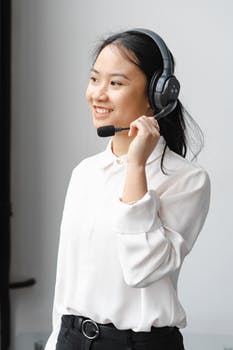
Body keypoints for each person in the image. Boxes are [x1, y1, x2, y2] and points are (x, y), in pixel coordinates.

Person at [45, 28, 210, 350]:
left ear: (158, 95)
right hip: (71, 339)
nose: (98, 94)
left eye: (116, 83)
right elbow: (68, 279)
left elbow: (142, 270)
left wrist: (136, 167)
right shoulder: (85, 173)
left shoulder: (187, 179)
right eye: (95, 79)